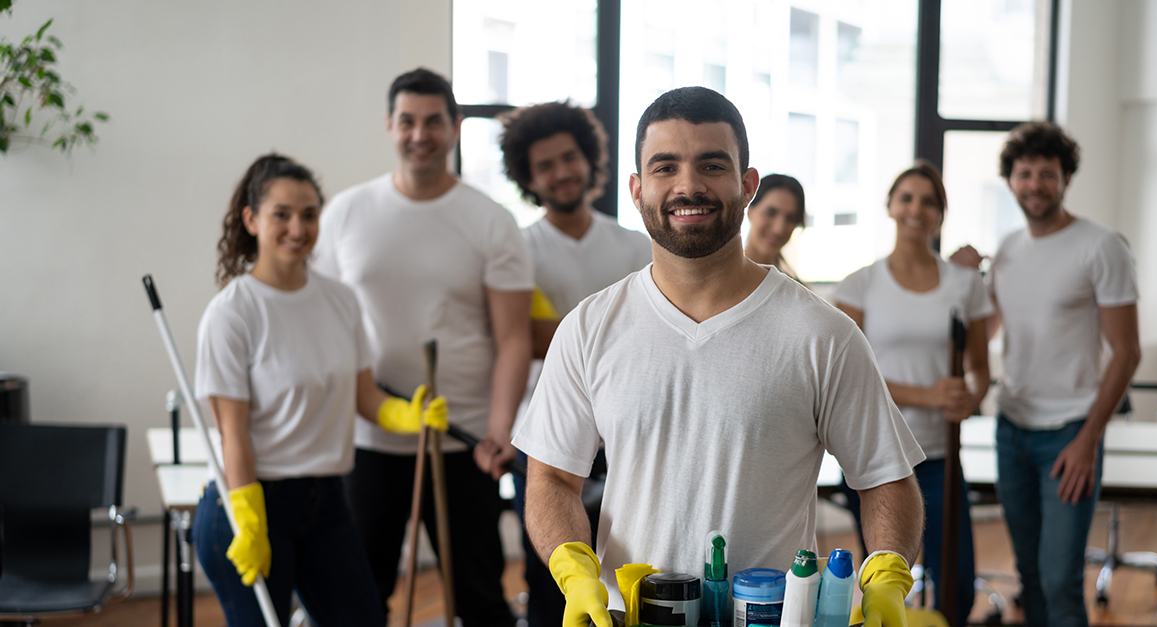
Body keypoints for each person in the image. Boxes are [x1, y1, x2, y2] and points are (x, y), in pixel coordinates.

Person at [514, 86, 926, 627]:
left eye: (712, 164)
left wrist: (889, 577)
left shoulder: (823, 334)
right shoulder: (589, 329)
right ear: (636, 190)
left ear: (747, 184)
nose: (688, 185)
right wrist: (573, 567)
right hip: (626, 616)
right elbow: (551, 480)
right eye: (665, 167)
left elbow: (885, 478)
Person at [311, 68, 532, 626]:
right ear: (389, 126)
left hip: (464, 439)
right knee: (361, 595)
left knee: (479, 596)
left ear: (455, 128)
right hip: (370, 438)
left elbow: (513, 339)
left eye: (434, 121)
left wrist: (500, 430)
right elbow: (324, 326)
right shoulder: (345, 215)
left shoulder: (491, 221)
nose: (420, 134)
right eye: (407, 121)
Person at [193, 154, 448, 626]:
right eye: (281, 214)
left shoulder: (340, 300)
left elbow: (364, 395)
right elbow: (233, 433)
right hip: (252, 501)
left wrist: (405, 416)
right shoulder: (233, 313)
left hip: (326, 501)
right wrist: (249, 519)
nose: (298, 228)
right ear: (251, 220)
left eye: (309, 214)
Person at [951, 122, 1140, 627]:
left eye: (1047, 174)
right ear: (1011, 181)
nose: (1035, 184)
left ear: (1066, 179)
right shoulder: (1010, 247)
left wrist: (1087, 439)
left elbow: (1127, 352)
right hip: (1011, 429)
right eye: (1024, 173)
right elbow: (989, 327)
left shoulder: (1101, 247)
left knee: (1059, 580)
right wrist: (967, 283)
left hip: (1069, 436)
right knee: (1030, 576)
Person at [497, 101, 652, 627]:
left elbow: (652, 334)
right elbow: (521, 336)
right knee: (552, 579)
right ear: (527, 176)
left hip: (630, 432)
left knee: (629, 568)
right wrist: (606, 331)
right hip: (547, 434)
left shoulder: (634, 244)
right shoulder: (518, 249)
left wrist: (560, 333)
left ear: (589, 158)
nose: (561, 172)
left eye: (569, 157)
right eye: (545, 165)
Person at [833, 161, 990, 627]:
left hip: (940, 452)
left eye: (928, 201)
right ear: (890, 207)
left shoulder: (965, 285)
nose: (916, 209)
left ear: (940, 214)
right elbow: (847, 377)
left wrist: (970, 396)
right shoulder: (861, 284)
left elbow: (980, 369)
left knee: (957, 584)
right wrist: (928, 396)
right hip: (877, 455)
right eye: (907, 198)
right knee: (884, 585)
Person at [744, 173, 806, 281]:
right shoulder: (715, 279)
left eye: (790, 219)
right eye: (770, 213)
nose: (779, 229)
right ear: (750, 211)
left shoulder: (796, 292)